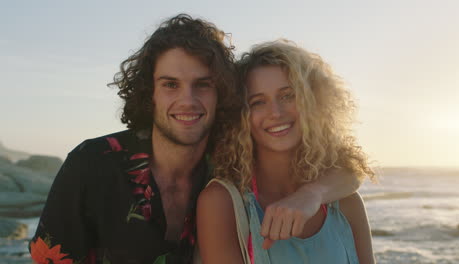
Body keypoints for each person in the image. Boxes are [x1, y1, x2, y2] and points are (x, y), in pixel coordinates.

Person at [29, 15, 362, 264]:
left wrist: (312, 193)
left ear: (223, 96)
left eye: (202, 84)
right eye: (171, 84)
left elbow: (348, 169)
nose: (187, 101)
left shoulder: (225, 158)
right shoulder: (92, 163)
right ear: (150, 93)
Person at [197, 40, 375, 263]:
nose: (276, 112)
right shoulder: (222, 204)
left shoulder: (345, 202)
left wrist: (311, 194)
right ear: (240, 116)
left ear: (313, 102)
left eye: (287, 95)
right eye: (258, 102)